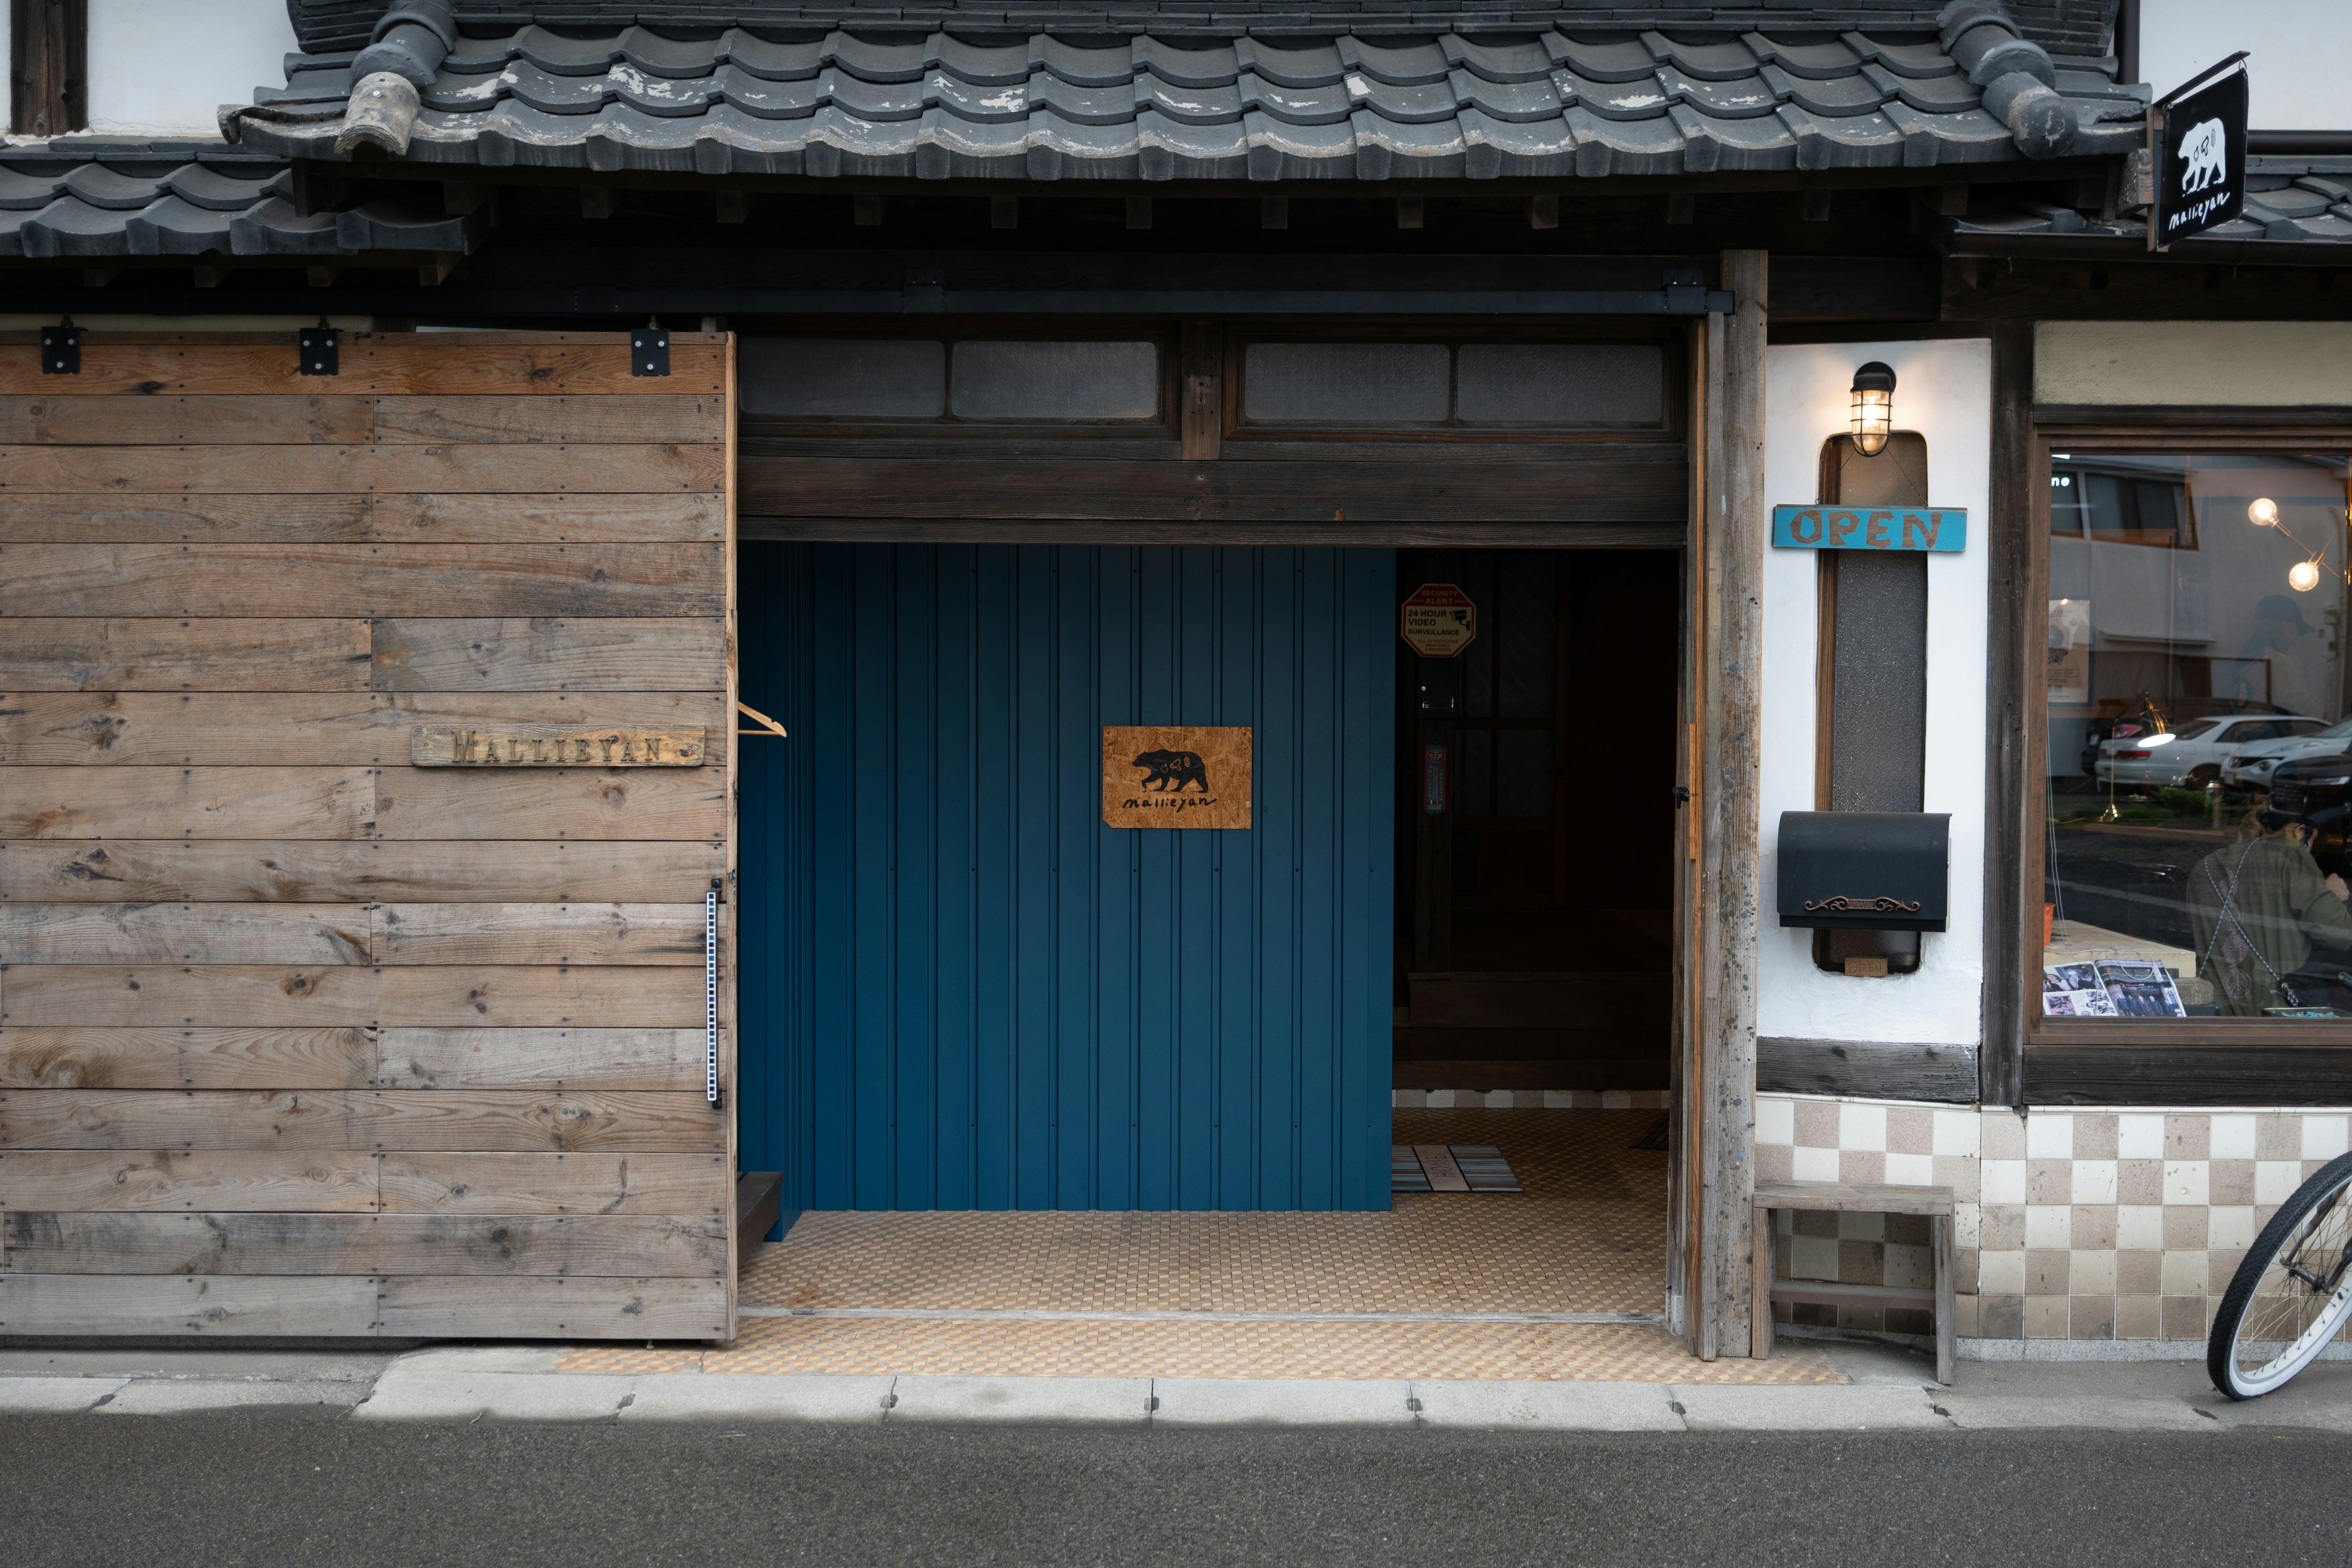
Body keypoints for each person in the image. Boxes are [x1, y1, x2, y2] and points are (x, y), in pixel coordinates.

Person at [2185, 811, 2352, 1015]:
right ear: (2300, 832)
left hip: (2219, 1008)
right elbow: (2338, 933)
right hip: (2275, 1009)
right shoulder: (2290, 855)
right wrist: (2332, 895)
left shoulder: (2203, 867)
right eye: (2312, 842)